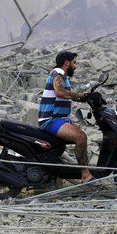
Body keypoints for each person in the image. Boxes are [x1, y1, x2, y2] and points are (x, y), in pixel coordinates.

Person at [38, 51, 97, 184]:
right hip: (50, 120)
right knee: (81, 137)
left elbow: (66, 94)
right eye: (74, 63)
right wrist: (82, 96)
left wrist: (83, 98)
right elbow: (60, 92)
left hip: (59, 119)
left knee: (79, 137)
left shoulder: (62, 76)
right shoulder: (58, 73)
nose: (75, 67)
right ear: (66, 63)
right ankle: (86, 176)